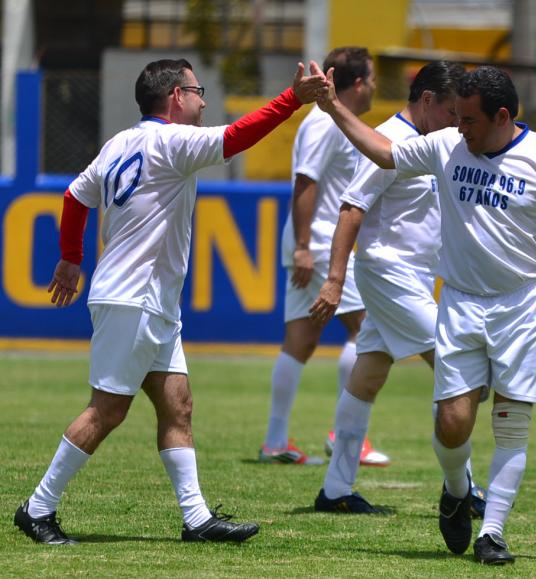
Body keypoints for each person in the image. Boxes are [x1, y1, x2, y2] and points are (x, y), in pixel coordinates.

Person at [14, 58, 326, 545]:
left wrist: (71, 259)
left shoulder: (120, 141)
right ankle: (37, 508)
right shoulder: (171, 141)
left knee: (177, 406)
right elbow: (238, 136)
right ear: (176, 98)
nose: (203, 100)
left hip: (148, 299)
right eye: (197, 90)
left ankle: (197, 518)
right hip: (134, 297)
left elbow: (75, 197)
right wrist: (292, 100)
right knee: (106, 411)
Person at [309, 64, 536, 564]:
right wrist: (332, 106)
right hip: (461, 302)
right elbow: (383, 150)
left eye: (468, 119)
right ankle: (455, 489)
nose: (459, 127)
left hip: (522, 305)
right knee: (453, 423)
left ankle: (491, 532)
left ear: (500, 116)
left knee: (511, 420)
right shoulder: (446, 145)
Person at [308, 61, 485, 515]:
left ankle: (335, 491)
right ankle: (464, 490)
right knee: (456, 368)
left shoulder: (433, 144)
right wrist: (334, 278)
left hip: (413, 278)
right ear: (427, 101)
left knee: (368, 376)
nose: (456, 124)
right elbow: (351, 208)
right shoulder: (392, 141)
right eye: (451, 112)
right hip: (390, 274)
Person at [259, 46, 388, 468]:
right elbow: (305, 182)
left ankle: (276, 441)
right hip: (317, 244)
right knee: (365, 328)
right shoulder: (323, 124)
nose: (374, 88)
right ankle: (345, 436)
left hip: (310, 243)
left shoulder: (337, 123)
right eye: (371, 79)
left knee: (301, 339)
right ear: (356, 84)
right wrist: (302, 246)